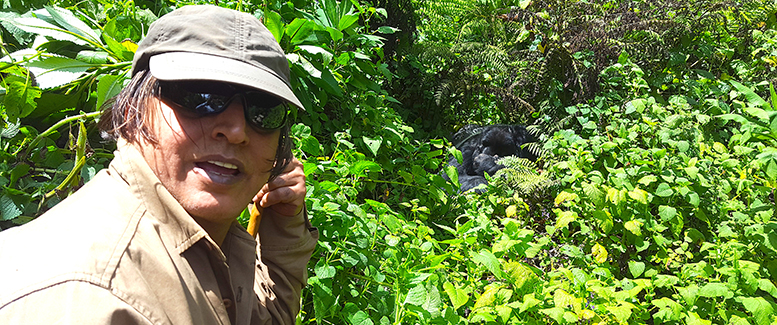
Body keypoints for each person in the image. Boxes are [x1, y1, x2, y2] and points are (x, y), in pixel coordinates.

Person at [0, 5, 318, 324]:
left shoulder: (195, 241)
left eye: (264, 110)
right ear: (131, 111)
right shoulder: (95, 299)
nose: (236, 131)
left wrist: (283, 224)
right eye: (201, 95)